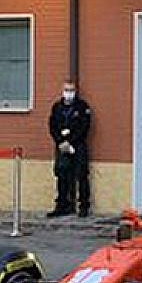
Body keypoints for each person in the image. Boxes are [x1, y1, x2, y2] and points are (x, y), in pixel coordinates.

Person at [47, 80, 93, 217]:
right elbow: (52, 126)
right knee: (62, 175)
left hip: (78, 145)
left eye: (71, 90)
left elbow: (84, 127)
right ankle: (62, 205)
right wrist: (61, 142)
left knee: (81, 174)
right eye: (67, 90)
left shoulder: (82, 107)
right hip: (62, 146)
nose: (69, 93)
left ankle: (83, 206)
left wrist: (71, 141)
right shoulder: (57, 107)